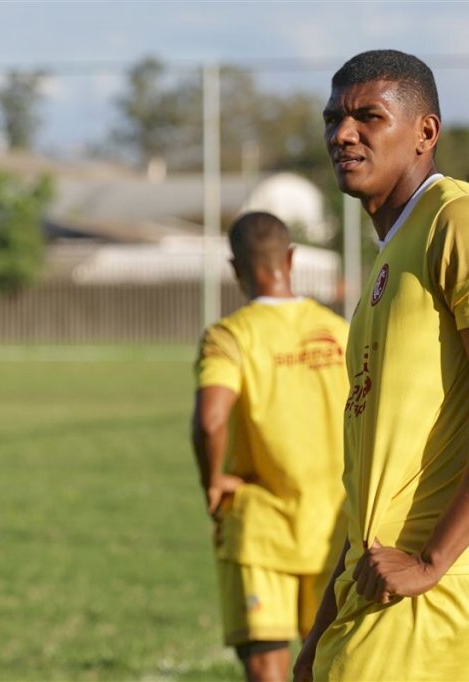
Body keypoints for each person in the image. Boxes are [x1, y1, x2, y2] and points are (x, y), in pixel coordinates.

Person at [294, 50, 469, 682]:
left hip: (432, 592)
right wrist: (324, 622)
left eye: (368, 117)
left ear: (425, 133)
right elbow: (381, 474)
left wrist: (433, 561)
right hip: (379, 582)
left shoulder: (459, 219)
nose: (342, 133)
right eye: (334, 119)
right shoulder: (393, 250)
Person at [191, 211, 349, 682]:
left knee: (267, 671)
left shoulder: (230, 336)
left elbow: (209, 420)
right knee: (332, 668)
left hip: (261, 528)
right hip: (337, 528)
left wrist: (212, 480)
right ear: (292, 259)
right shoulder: (340, 331)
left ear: (235, 268)